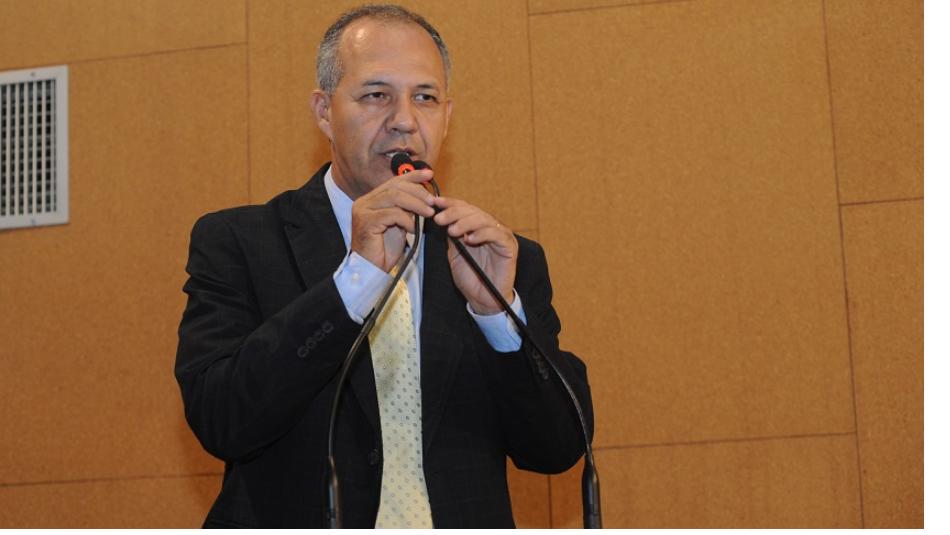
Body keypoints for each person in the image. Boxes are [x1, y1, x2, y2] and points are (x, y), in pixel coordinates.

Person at [175, 4, 593, 528]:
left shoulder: (496, 257)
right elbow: (222, 419)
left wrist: (497, 316)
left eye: (425, 98)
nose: (404, 120)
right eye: (376, 95)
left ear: (447, 117)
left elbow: (556, 447)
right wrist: (355, 283)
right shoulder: (240, 242)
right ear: (324, 111)